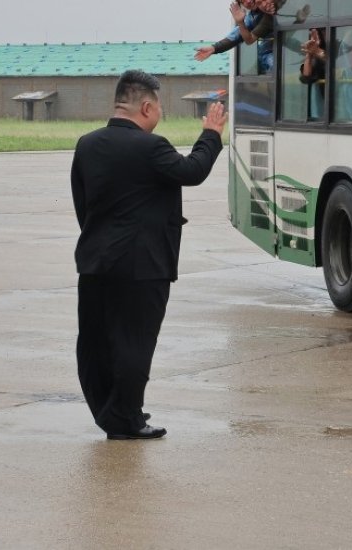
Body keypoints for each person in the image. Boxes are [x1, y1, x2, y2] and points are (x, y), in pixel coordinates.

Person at [71, 69, 227, 440]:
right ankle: (124, 419)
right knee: (134, 343)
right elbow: (192, 171)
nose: (160, 116)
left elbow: (83, 204)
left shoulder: (87, 144)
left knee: (95, 342)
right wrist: (211, 134)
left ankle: (111, 412)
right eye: (159, 108)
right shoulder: (150, 147)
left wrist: (101, 238)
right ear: (145, 106)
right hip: (143, 267)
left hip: (96, 261)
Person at [193, 0, 259, 62]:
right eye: (243, 1)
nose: (248, 1)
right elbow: (235, 35)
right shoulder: (252, 17)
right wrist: (214, 48)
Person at [299, 28, 326, 120]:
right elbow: (306, 76)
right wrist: (309, 54)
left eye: (318, 32)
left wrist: (318, 51)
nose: (315, 37)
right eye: (312, 34)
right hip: (320, 100)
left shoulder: (336, 45)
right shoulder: (312, 52)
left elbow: (337, 65)